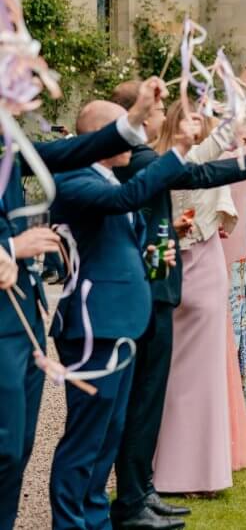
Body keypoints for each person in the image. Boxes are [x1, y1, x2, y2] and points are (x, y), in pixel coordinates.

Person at [106, 80, 246, 529]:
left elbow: (213, 162)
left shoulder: (164, 160)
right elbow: (208, 165)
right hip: (165, 277)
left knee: (169, 383)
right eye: (185, 117)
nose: (197, 125)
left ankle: (146, 489)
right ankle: (142, 490)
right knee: (158, 386)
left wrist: (240, 113)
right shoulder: (145, 163)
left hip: (183, 271)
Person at [0, 77, 164, 530]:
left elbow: (74, 151)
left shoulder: (11, 148)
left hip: (25, 322)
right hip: (45, 322)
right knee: (13, 447)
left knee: (20, 450)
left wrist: (136, 118)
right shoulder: (73, 180)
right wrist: (12, 249)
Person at [48, 101, 199, 530]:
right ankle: (72, 523)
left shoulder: (106, 177)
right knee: (85, 440)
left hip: (123, 323)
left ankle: (95, 519)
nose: (134, 139)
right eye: (124, 130)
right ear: (102, 136)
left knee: (108, 436)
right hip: (94, 325)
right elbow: (124, 200)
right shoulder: (75, 177)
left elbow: (120, 242)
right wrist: (180, 149)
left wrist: (154, 254)